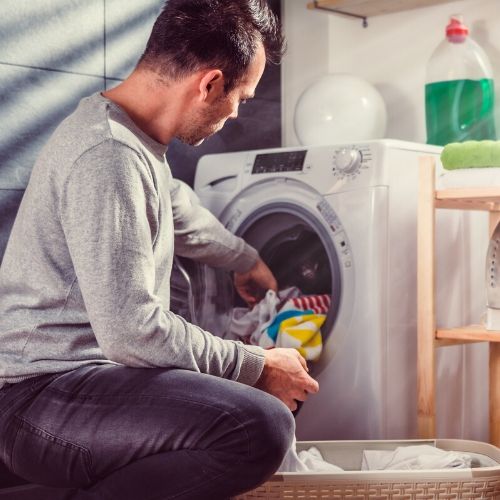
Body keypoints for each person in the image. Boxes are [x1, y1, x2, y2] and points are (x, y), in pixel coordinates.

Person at [0, 1, 319, 499]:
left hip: (70, 386)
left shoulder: (133, 138)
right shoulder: (107, 155)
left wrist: (246, 259)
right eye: (241, 97)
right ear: (209, 83)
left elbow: (181, 212)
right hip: (35, 398)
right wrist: (256, 363)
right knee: (258, 427)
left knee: (244, 414)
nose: (237, 113)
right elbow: (133, 332)